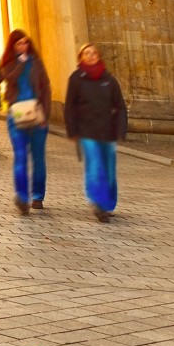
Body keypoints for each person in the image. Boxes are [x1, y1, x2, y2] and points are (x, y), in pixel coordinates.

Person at [64, 43, 129, 222]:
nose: (91, 55)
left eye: (94, 53)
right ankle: (98, 202)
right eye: (87, 53)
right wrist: (72, 129)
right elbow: (70, 106)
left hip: (107, 129)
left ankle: (108, 204)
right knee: (94, 165)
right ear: (81, 57)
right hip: (87, 130)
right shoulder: (76, 78)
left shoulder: (109, 79)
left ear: (99, 56)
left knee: (108, 167)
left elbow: (120, 105)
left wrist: (121, 128)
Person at [1, 29, 51, 215]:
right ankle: (22, 197)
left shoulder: (37, 63)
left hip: (37, 115)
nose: (24, 46)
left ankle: (37, 196)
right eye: (19, 43)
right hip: (17, 115)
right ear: (13, 46)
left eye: (26, 42)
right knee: (20, 155)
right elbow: (9, 79)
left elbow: (46, 88)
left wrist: (46, 114)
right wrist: (20, 63)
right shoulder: (8, 64)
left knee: (38, 157)